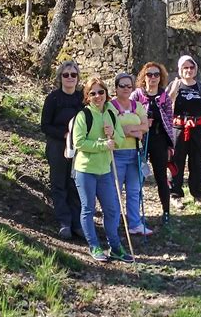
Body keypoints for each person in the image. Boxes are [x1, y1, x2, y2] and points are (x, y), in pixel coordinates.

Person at [72, 76, 133, 263]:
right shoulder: (83, 115)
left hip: (105, 169)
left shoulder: (111, 114)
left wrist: (113, 134)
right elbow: (79, 143)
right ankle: (94, 246)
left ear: (106, 94)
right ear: (87, 97)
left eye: (101, 92)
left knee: (112, 209)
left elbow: (121, 140)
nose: (97, 96)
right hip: (85, 170)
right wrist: (103, 145)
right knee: (88, 209)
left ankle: (115, 247)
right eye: (93, 93)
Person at [41, 60, 84, 240]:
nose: (69, 78)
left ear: (77, 77)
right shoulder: (53, 98)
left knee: (75, 184)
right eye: (66, 75)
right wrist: (64, 135)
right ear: (60, 77)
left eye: (73, 75)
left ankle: (77, 223)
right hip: (58, 145)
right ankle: (64, 222)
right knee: (59, 184)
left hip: (79, 146)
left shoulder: (81, 98)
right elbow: (45, 125)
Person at [167, 55, 201, 208]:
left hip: (196, 130)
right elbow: (167, 106)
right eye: (185, 67)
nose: (188, 70)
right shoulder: (174, 85)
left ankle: (198, 195)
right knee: (177, 162)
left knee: (197, 162)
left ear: (195, 69)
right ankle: (175, 195)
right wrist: (173, 93)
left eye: (191, 67)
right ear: (180, 69)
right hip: (178, 129)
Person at [131, 62, 174, 225]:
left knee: (161, 177)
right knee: (137, 177)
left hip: (159, 140)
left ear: (161, 77)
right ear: (144, 77)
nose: (153, 78)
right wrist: (141, 122)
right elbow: (126, 113)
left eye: (157, 74)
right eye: (150, 74)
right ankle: (136, 214)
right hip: (140, 139)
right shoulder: (136, 95)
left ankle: (166, 211)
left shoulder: (164, 97)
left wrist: (170, 146)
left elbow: (169, 121)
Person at [111, 73, 152, 236]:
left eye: (129, 86)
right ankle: (112, 224)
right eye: (122, 86)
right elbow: (110, 128)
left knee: (134, 190)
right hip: (117, 154)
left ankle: (135, 223)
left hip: (136, 153)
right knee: (115, 192)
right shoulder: (110, 107)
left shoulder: (137, 105)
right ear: (116, 88)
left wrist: (131, 130)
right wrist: (132, 131)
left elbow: (146, 126)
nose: (126, 89)